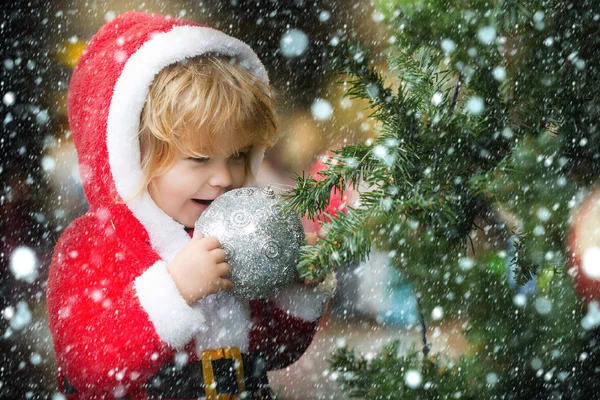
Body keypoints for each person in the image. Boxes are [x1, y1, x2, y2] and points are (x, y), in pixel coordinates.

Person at [46, 11, 335, 400]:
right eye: (199, 159)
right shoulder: (94, 245)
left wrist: (295, 290)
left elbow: (274, 351)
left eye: (237, 155)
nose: (223, 178)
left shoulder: (236, 233)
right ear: (134, 157)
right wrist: (176, 290)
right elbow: (90, 366)